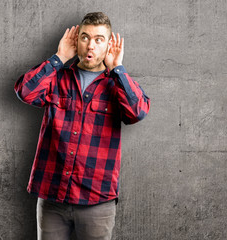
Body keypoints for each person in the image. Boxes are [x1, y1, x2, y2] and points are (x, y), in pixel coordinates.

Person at [14, 12, 150, 240]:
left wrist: (118, 68)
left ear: (108, 46)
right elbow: (25, 92)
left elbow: (138, 112)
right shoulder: (57, 77)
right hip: (52, 197)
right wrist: (58, 57)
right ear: (76, 41)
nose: (91, 45)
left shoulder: (115, 84)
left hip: (96, 202)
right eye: (85, 37)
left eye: (99, 39)